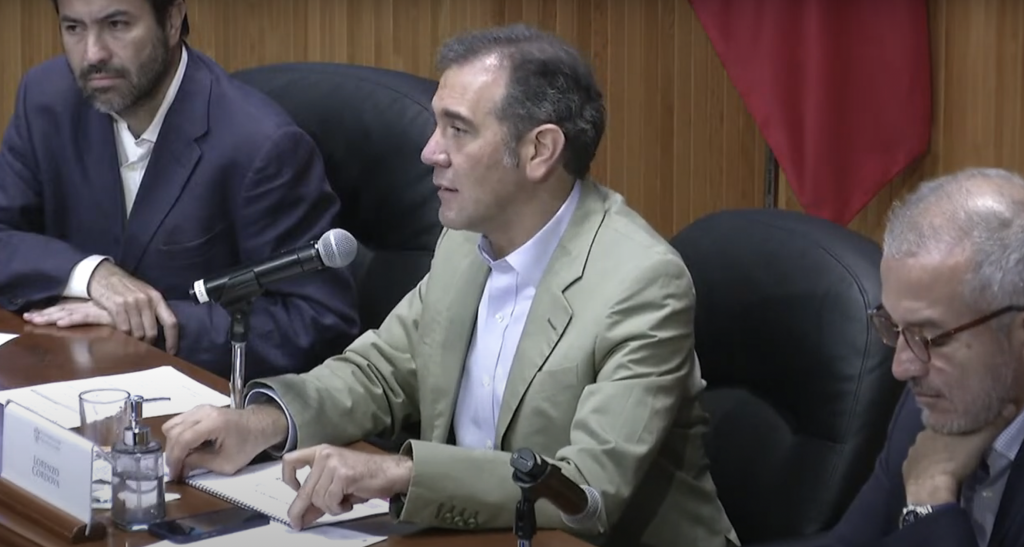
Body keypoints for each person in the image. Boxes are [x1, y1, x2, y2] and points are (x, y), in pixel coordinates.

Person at [162, 23, 738, 547]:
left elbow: (585, 493)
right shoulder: (467, 241)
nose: (429, 152)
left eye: (458, 130)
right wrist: (264, 423)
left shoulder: (641, 286)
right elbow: (383, 371)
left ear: (539, 150)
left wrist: (403, 473)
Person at [0, 0, 359, 379]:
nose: (93, 54)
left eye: (117, 25)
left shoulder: (261, 145)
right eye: (74, 28)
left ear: (172, 20)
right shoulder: (46, 99)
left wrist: (153, 321)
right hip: (64, 375)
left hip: (197, 398)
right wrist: (92, 275)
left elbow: (317, 320)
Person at [824, 167, 1024, 547]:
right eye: (894, 327)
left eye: (931, 337)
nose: (902, 368)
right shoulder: (927, 409)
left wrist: (929, 498)